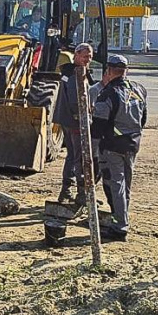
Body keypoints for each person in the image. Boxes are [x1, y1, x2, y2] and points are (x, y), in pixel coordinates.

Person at [91, 54, 148, 242]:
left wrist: (94, 144)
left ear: (108, 70)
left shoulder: (108, 93)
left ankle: (119, 226)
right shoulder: (139, 89)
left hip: (113, 146)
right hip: (133, 144)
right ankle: (122, 218)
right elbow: (143, 118)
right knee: (125, 185)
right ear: (126, 70)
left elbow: (98, 126)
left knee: (115, 185)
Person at [52, 43, 94, 207]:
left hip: (66, 119)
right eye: (85, 56)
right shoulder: (74, 74)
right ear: (76, 55)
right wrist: (83, 118)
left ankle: (66, 191)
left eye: (90, 56)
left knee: (71, 156)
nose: (88, 59)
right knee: (80, 157)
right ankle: (81, 193)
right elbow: (75, 100)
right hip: (75, 121)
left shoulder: (70, 71)